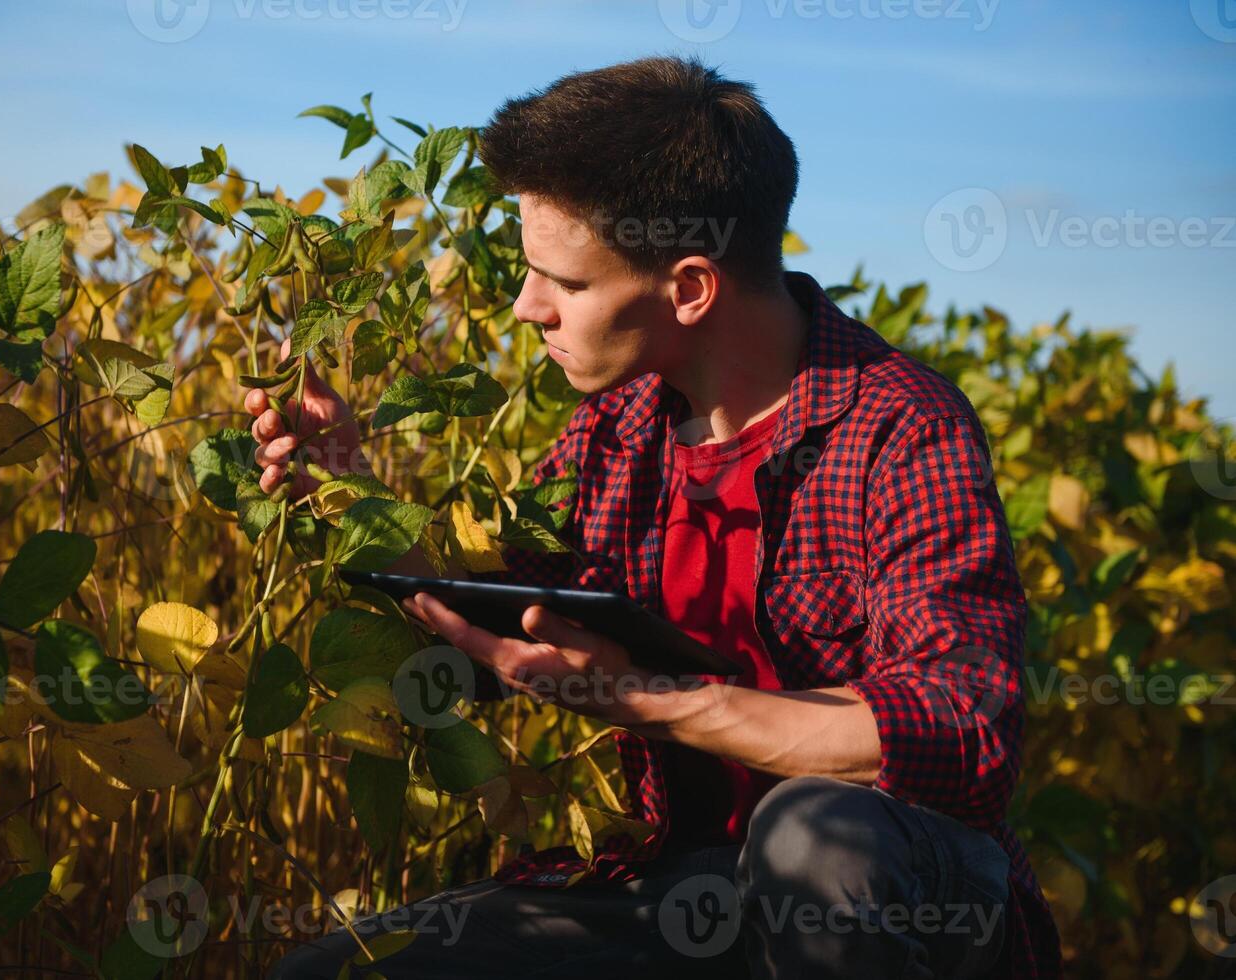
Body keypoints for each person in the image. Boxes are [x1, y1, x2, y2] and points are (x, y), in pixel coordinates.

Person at [252, 55, 1062, 979]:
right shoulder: (614, 433)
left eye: (565, 283)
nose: (528, 309)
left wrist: (659, 704)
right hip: (686, 889)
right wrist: (346, 487)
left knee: (810, 832)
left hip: (902, 902)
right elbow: (500, 621)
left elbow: (960, 727)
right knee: (332, 974)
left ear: (689, 288)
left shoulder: (900, 426)